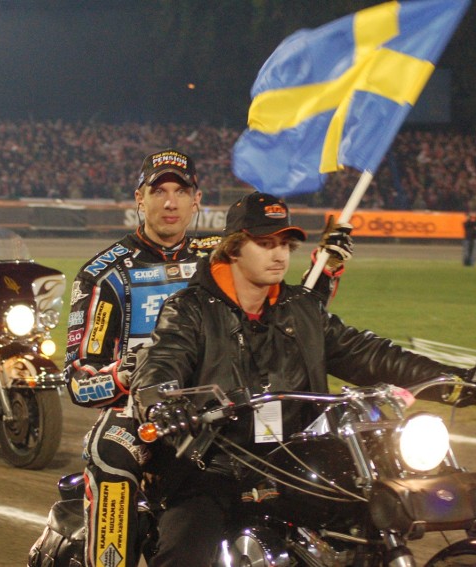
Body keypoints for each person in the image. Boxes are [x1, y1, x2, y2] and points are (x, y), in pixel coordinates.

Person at [130, 191, 476, 566]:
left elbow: (369, 353)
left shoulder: (302, 309)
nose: (278, 255)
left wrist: (454, 382)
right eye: (264, 244)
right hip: (216, 462)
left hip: (296, 460)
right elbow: (162, 361)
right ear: (233, 249)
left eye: (284, 244)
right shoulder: (191, 309)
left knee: (367, 511)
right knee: (186, 548)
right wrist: (163, 401)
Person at [65, 150, 353, 567]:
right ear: (138, 199)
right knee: (111, 453)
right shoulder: (106, 274)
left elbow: (285, 318)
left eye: (181, 191)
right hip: (142, 413)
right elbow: (79, 380)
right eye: (158, 191)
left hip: (229, 405)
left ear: (197, 199)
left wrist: (325, 271)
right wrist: (134, 373)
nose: (170, 203)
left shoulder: (222, 254)